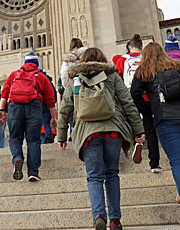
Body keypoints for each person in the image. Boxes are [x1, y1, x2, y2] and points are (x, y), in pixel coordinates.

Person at [57, 47, 146, 230]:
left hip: (88, 134)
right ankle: (115, 219)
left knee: (94, 177)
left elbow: (65, 108)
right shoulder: (112, 75)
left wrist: (62, 135)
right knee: (112, 174)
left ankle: (99, 216)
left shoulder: (75, 78)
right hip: (113, 130)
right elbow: (127, 102)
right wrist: (138, 130)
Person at [133, 43, 180, 226]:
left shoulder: (144, 71)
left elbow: (135, 93)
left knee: (178, 161)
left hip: (165, 119)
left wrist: (149, 110)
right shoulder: (179, 66)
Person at [0, 51, 57, 182]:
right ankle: (33, 172)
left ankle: (17, 158)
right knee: (33, 140)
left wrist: (1, 109)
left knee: (14, 137)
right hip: (34, 106)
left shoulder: (14, 74)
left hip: (14, 107)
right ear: (37, 64)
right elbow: (50, 98)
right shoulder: (41, 76)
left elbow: (5, 93)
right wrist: (53, 118)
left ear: (24, 63)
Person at [118, 36, 161, 173]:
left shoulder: (122, 60)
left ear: (129, 47)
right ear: (141, 47)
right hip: (146, 97)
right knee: (150, 128)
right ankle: (154, 163)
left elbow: (118, 77)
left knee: (129, 120)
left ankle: (133, 142)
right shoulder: (146, 59)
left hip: (128, 96)